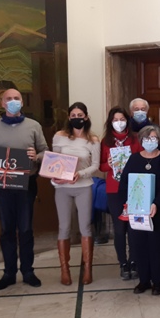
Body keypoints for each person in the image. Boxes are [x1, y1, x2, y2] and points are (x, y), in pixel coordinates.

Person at [0, 88, 48, 291]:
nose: (13, 101)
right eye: (9, 99)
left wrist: (37, 156)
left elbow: (45, 151)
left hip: (27, 184)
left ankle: (28, 271)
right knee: (7, 229)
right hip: (2, 186)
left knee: (25, 229)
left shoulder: (34, 126)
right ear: (2, 103)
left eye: (16, 98)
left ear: (22, 102)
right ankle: (9, 273)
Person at [118, 124, 160, 295]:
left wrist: (156, 203)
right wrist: (127, 203)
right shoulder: (134, 159)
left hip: (158, 210)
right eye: (147, 138)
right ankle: (143, 280)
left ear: (159, 140)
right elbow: (125, 183)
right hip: (137, 210)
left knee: (156, 245)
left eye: (154, 138)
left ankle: (157, 281)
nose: (150, 141)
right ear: (141, 140)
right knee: (138, 245)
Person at [49, 102, 100, 286]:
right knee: (64, 227)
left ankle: (87, 269)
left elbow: (95, 165)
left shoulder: (93, 140)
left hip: (83, 186)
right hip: (62, 188)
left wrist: (80, 174)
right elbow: (54, 161)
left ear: (86, 117)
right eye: (73, 115)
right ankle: (65, 270)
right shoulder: (59, 136)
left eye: (80, 115)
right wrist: (56, 176)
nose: (77, 118)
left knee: (85, 227)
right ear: (69, 118)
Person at [100, 106, 141, 280]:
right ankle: (123, 262)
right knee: (119, 229)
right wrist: (109, 164)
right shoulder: (106, 142)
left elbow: (142, 159)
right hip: (114, 189)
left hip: (133, 188)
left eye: (122, 119)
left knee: (133, 227)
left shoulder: (135, 139)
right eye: (115, 120)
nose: (119, 123)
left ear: (127, 121)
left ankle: (134, 261)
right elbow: (101, 166)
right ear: (110, 122)